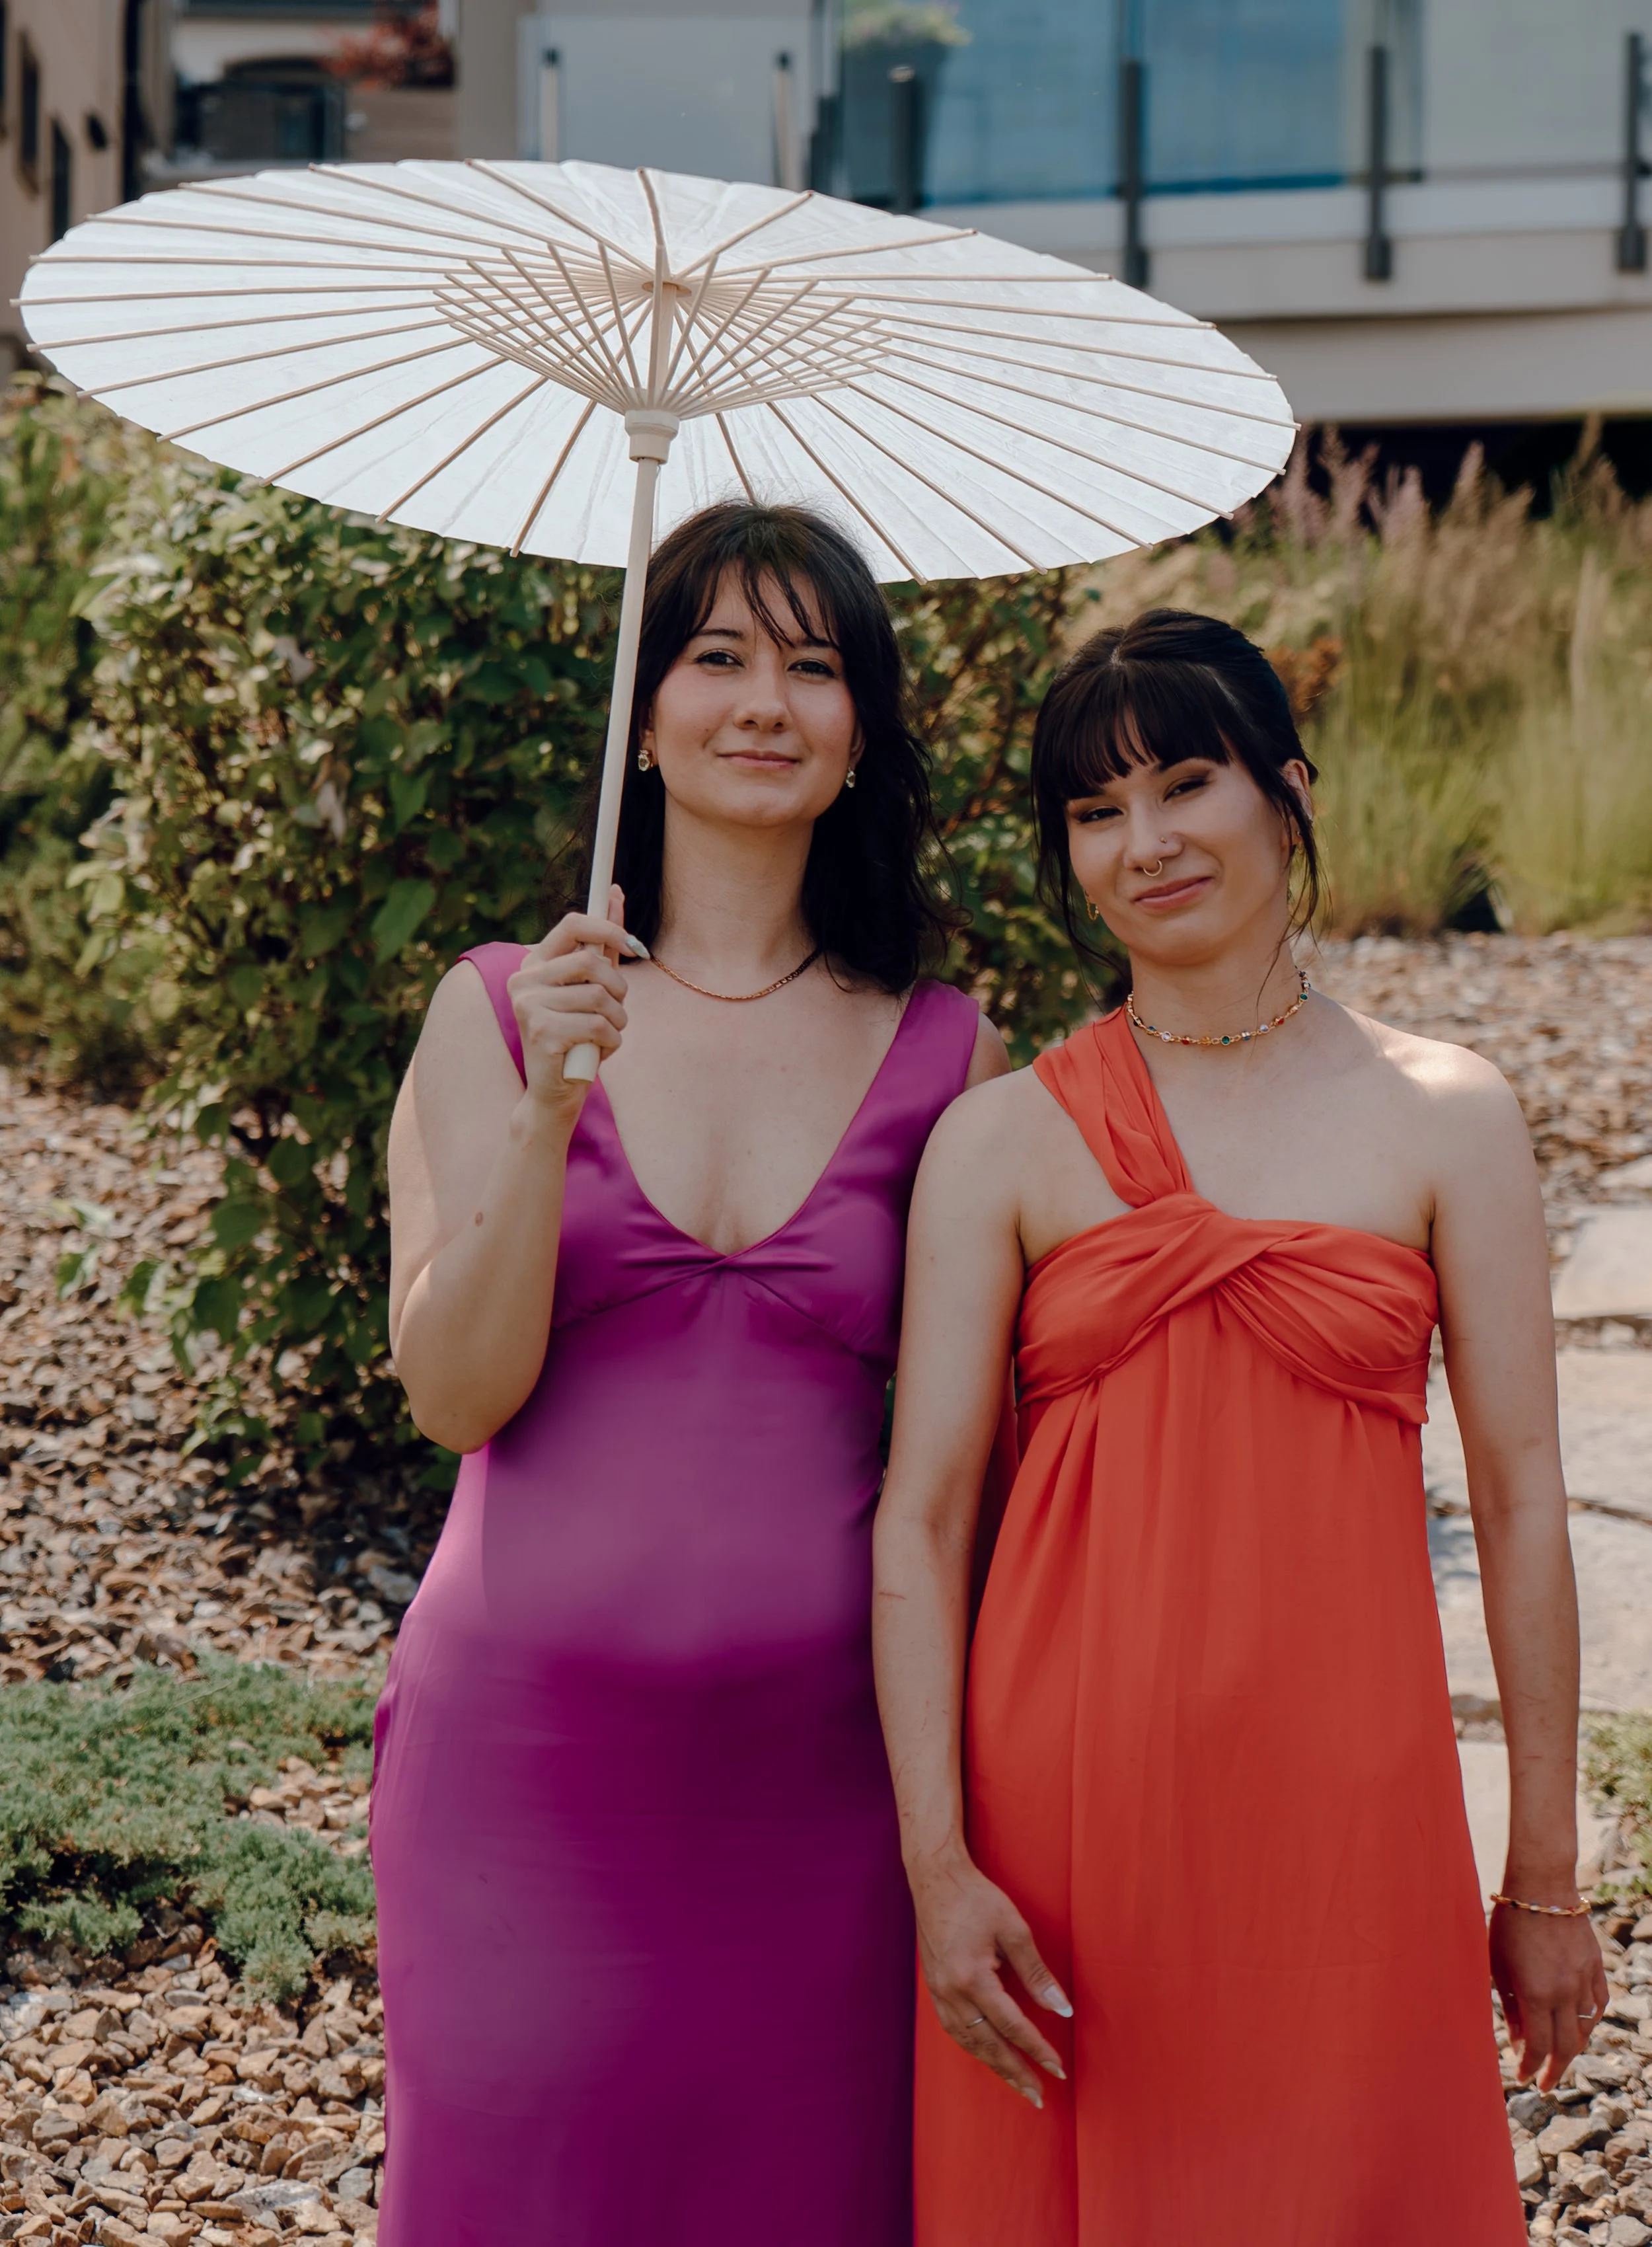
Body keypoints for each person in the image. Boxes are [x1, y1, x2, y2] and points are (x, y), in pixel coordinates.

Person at [873, 607, 1604, 2246]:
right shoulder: (999, 1140)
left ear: (1287, 791)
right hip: (1062, 1812)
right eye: (1092, 809)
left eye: (1182, 782)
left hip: (1348, 1798)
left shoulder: (1448, 1114)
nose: (1142, 841)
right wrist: (936, 1862)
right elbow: (921, 1515)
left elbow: (1520, 1499)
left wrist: (1540, 1872)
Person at [371, 500, 1004, 2247]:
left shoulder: (946, 1051)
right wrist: (552, 1105)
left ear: (860, 731)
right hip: (520, 1779)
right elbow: (454, 1395)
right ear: (640, 717)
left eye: (812, 665)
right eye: (715, 655)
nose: (762, 701)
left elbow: (974, 1465)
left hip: (823, 1793)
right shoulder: (496, 1006)